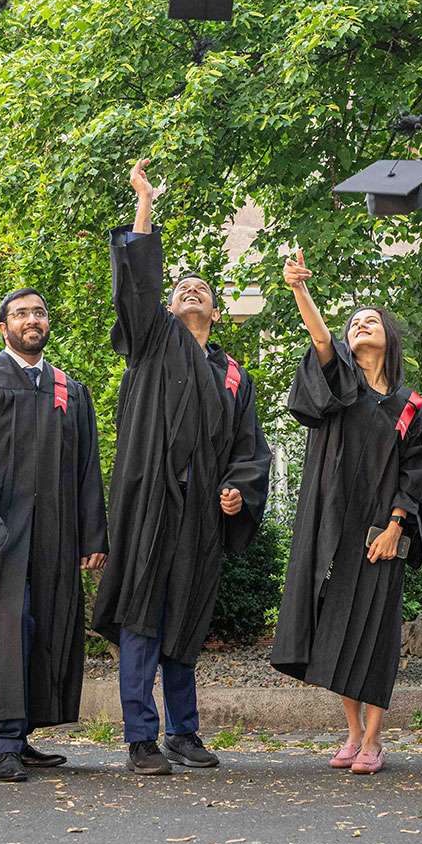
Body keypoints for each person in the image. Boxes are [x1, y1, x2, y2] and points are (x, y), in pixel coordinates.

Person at [90, 158, 272, 775]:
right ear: (165, 308)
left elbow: (250, 448)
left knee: (187, 615)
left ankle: (184, 732)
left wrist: (236, 490)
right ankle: (141, 736)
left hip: (200, 510)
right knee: (143, 612)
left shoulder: (233, 374)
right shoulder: (152, 341)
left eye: (203, 291)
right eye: (180, 289)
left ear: (217, 313)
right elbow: (136, 282)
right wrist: (143, 202)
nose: (190, 291)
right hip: (149, 503)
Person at [270, 249, 422, 775]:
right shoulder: (343, 388)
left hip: (383, 531)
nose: (362, 325)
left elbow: (419, 471)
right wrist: (301, 289)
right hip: (335, 529)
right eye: (354, 323)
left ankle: (374, 739)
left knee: (378, 632)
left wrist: (396, 526)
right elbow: (322, 342)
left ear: (390, 337)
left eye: (372, 320)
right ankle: (350, 733)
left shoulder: (409, 404)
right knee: (336, 628)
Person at [0, 288, 107, 782]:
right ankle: (2, 741)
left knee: (43, 625)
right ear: (4, 326)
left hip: (53, 530)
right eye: (21, 313)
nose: (32, 319)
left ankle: (23, 733)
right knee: (5, 626)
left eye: (39, 312)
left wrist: (93, 534)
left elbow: (85, 466)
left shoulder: (67, 388)